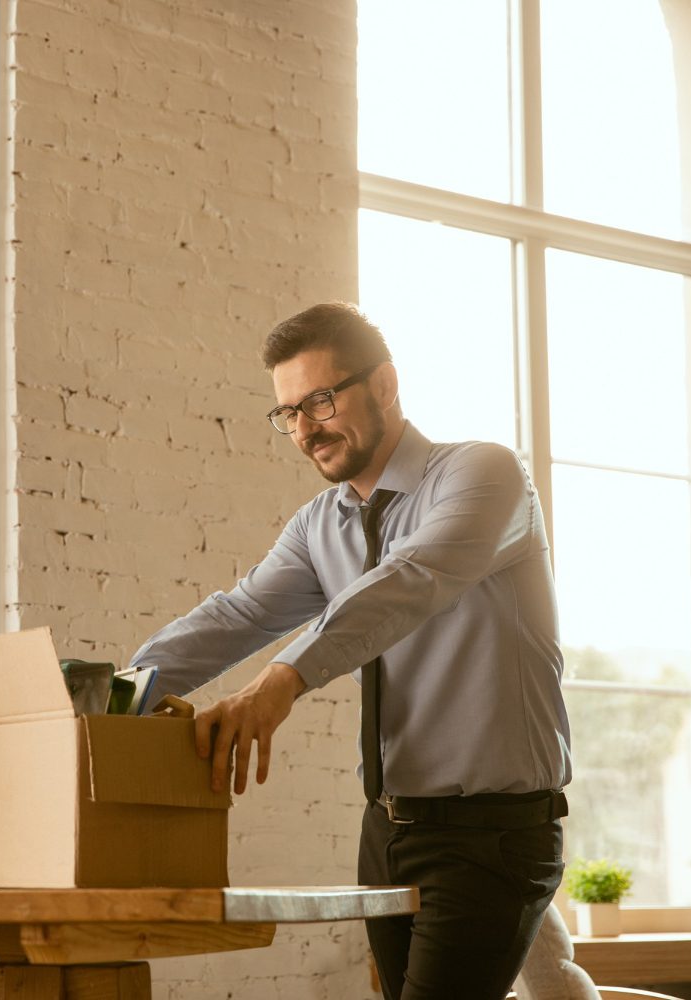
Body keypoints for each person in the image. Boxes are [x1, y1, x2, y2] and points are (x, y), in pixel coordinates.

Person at [129, 302, 572, 1000]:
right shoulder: (320, 525)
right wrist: (120, 693)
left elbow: (409, 582)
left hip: (495, 832)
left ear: (386, 385)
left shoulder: (483, 474)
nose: (306, 430)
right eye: (288, 414)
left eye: (321, 401)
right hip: (389, 831)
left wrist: (281, 681)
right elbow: (239, 614)